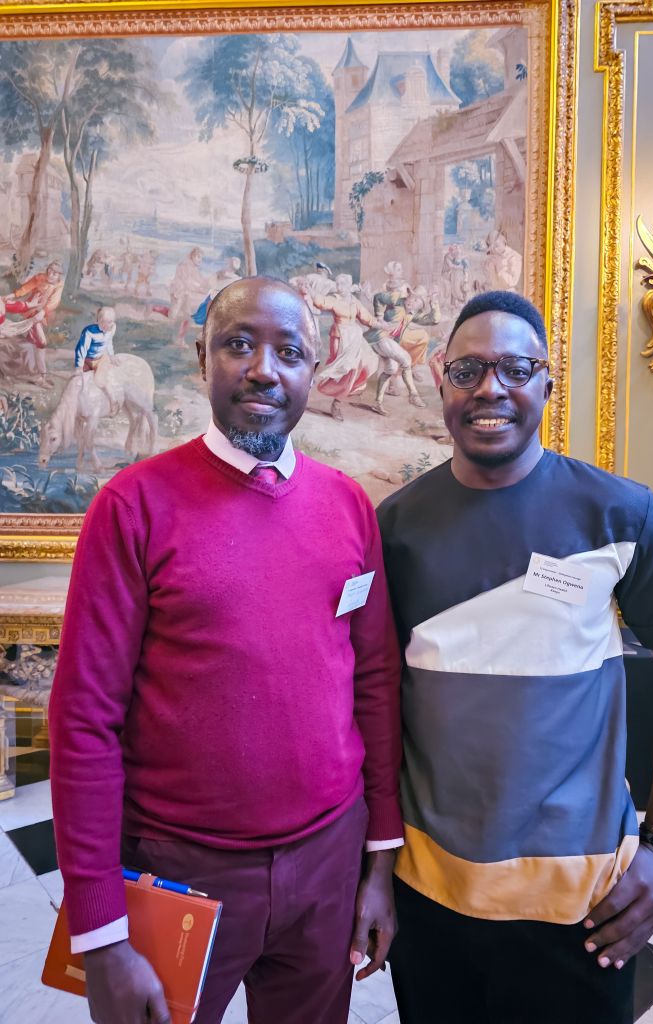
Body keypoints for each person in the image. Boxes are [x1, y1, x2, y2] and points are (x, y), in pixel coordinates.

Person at [49, 276, 403, 1024]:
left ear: (314, 370)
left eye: (289, 352)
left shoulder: (348, 505)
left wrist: (380, 861)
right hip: (179, 869)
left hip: (327, 863)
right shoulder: (132, 506)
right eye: (239, 344)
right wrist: (100, 935)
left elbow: (373, 682)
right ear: (201, 357)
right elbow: (84, 721)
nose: (263, 370)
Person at [377, 290, 653, 1024]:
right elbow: (374, 702)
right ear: (441, 380)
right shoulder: (394, 527)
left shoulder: (622, 514)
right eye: (468, 369)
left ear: (547, 383)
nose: (490, 388)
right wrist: (373, 869)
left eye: (515, 368)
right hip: (430, 892)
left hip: (583, 899)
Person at [303, 273, 380, 421]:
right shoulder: (335, 299)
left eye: (342, 284)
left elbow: (366, 318)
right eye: (337, 284)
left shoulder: (354, 301)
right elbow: (321, 302)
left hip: (355, 338)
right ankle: (324, 394)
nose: (339, 287)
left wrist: (380, 324)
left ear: (349, 285)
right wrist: (310, 290)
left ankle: (338, 401)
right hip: (340, 338)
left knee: (366, 363)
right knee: (342, 370)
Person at [4, 259, 64, 386]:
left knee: (35, 343)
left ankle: (40, 375)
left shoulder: (58, 286)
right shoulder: (40, 278)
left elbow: (54, 302)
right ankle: (40, 376)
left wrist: (44, 311)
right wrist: (13, 295)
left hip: (40, 316)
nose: (50, 275)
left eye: (54, 273)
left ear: (59, 275)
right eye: (49, 271)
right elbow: (25, 288)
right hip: (31, 313)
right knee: (41, 342)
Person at [73, 306, 120, 415]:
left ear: (113, 322)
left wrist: (112, 356)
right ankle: (80, 405)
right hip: (87, 359)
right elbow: (81, 349)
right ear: (97, 320)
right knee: (79, 380)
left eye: (110, 322)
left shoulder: (112, 328)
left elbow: (109, 342)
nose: (106, 325)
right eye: (103, 322)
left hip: (101, 358)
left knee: (99, 380)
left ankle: (113, 402)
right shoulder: (89, 331)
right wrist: (79, 366)